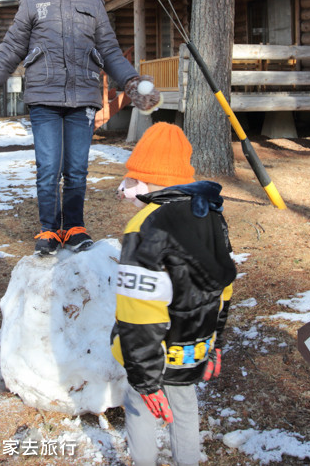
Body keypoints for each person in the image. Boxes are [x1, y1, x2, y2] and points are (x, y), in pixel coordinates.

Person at [0, 0, 161, 256]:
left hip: (83, 97)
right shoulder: (32, 1)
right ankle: (49, 229)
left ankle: (75, 226)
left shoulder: (94, 2)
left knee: (77, 168)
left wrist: (131, 83)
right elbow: (12, 48)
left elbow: (109, 50)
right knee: (49, 167)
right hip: (43, 99)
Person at [111, 122, 236, 466]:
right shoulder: (211, 216)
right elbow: (223, 287)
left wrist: (144, 376)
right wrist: (217, 342)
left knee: (141, 407)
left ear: (144, 180)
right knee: (184, 407)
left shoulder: (144, 226)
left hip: (153, 350)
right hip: (193, 345)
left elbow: (138, 312)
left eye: (132, 178)